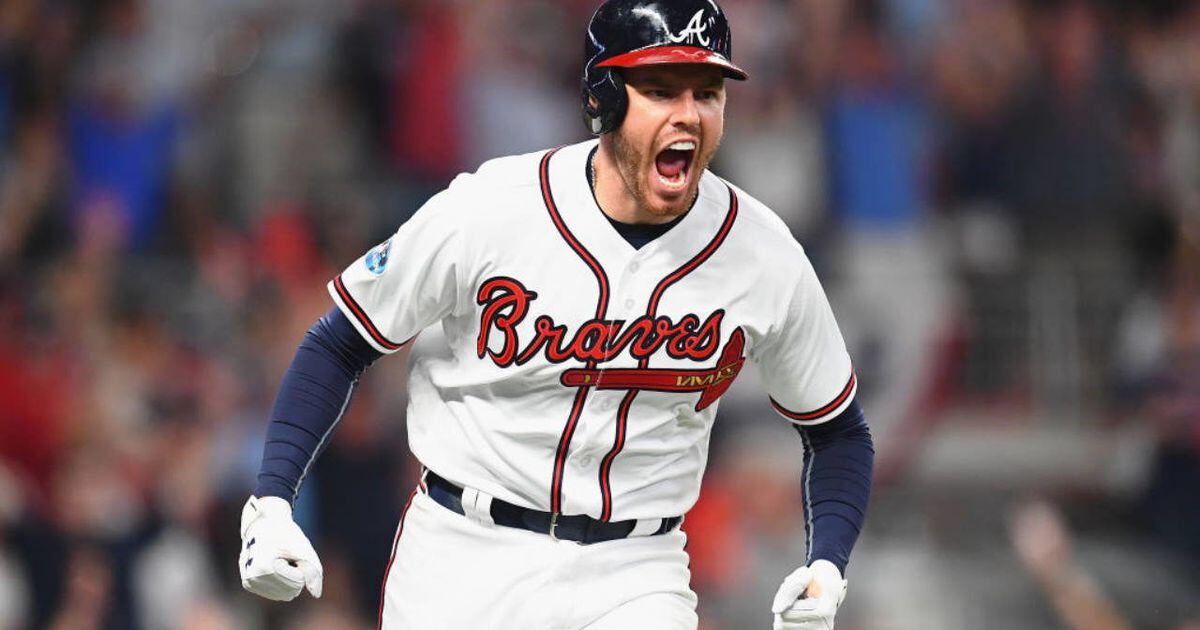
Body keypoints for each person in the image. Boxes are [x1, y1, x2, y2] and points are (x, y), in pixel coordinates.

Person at [237, 1, 874, 628]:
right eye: (659, 90)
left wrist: (827, 562)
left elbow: (837, 428)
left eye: (706, 93)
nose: (688, 115)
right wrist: (272, 498)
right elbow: (341, 342)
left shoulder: (760, 252)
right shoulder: (493, 208)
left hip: (637, 570)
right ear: (602, 98)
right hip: (465, 556)